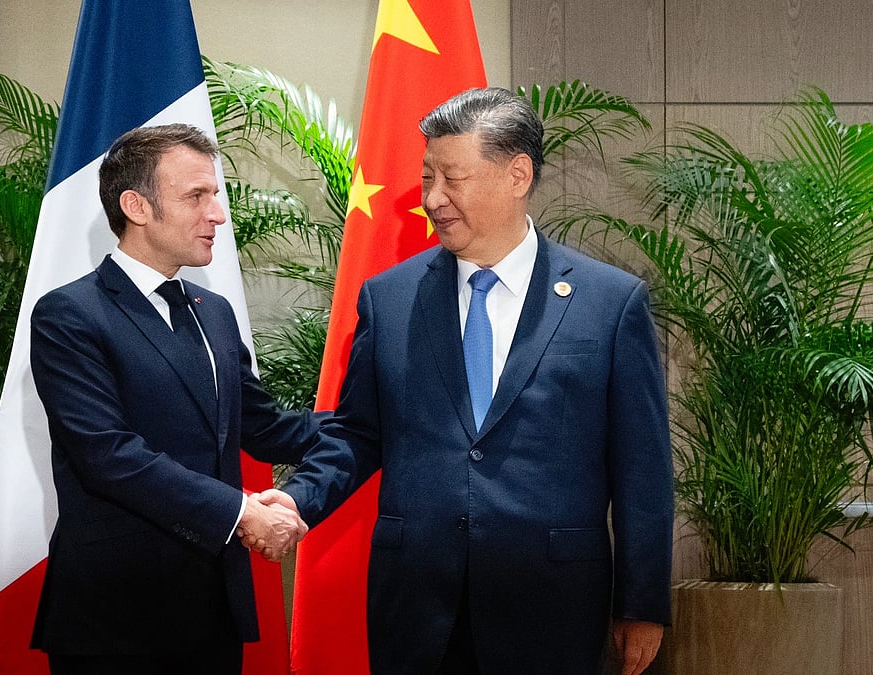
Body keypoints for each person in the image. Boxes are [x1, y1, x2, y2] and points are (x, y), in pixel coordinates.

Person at [256, 88, 674, 674]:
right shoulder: (390, 298)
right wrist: (298, 501)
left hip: (552, 608)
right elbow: (356, 434)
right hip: (417, 608)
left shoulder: (609, 304)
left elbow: (642, 468)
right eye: (429, 177)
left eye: (453, 178)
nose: (433, 198)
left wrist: (643, 602)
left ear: (517, 174)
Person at [28, 123, 318, 674]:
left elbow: (264, 426)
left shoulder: (214, 313)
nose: (219, 215)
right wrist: (239, 512)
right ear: (136, 206)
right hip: (116, 618)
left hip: (212, 610)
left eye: (216, 195)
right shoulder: (69, 315)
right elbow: (108, 456)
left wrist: (377, 419)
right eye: (196, 196)